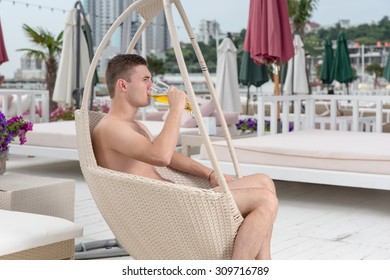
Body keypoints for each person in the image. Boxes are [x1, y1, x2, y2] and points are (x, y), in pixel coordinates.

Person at [92, 54, 278, 260]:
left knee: (265, 181)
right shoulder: (111, 128)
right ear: (123, 85)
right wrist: (176, 108)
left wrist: (209, 173)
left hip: (180, 202)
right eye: (145, 80)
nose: (151, 86)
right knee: (266, 200)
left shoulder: (132, 126)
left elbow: (169, 155)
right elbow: (161, 155)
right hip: (170, 214)